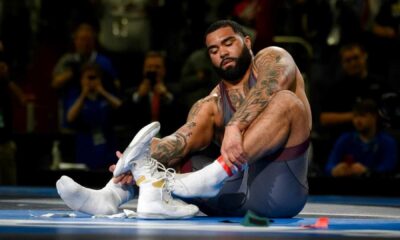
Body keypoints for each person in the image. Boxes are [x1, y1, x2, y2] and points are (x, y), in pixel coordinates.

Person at [56, 20, 312, 219]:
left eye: (228, 43)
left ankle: (210, 176)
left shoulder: (273, 59)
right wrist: (134, 163)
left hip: (278, 194)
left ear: (246, 42)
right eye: (214, 49)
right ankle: (111, 196)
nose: (222, 52)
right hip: (230, 199)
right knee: (164, 150)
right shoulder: (211, 104)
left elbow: (273, 82)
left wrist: (235, 125)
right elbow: (179, 139)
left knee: (287, 102)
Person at [64, 63, 122, 170]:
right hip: (85, 148)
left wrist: (102, 91)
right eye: (88, 78)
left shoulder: (106, 96)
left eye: (94, 77)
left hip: (107, 147)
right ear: (81, 80)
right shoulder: (76, 97)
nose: (91, 81)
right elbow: (70, 117)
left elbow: (121, 108)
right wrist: (83, 94)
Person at [325, 99, 398, 177]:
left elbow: (389, 167)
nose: (358, 120)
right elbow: (329, 165)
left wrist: (367, 171)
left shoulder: (387, 142)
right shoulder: (345, 139)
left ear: (374, 117)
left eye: (363, 116)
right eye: (355, 116)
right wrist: (335, 170)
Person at [120, 51, 175, 137]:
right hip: (140, 139)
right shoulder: (131, 92)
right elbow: (124, 116)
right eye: (149, 67)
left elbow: (182, 114)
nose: (153, 70)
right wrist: (138, 96)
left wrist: (166, 95)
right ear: (144, 70)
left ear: (164, 70)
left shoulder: (174, 90)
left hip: (168, 138)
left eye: (157, 67)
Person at [0, 40, 28, 185]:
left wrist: (6, 78)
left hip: (4, 142)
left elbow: (22, 101)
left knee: (9, 185)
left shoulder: (6, 83)